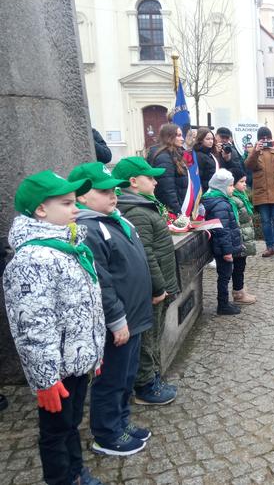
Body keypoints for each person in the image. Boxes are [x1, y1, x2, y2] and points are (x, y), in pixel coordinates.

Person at [4, 170, 105, 485]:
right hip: (56, 370)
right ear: (41, 210)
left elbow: (87, 308)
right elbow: (32, 328)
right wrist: (45, 379)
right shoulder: (32, 258)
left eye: (74, 202)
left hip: (76, 361)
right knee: (55, 430)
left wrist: (93, 352)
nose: (75, 209)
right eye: (66, 203)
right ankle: (60, 478)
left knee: (71, 422)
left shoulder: (68, 248)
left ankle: (76, 470)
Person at [68, 162, 153, 456]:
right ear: (81, 197)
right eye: (103, 191)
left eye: (114, 190)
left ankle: (121, 421)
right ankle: (106, 433)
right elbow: (101, 282)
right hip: (118, 322)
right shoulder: (88, 229)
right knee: (112, 379)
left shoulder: (116, 219)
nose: (112, 196)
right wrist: (116, 319)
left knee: (127, 377)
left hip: (135, 315)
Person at [113, 157, 180, 405]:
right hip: (153, 290)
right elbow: (147, 254)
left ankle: (152, 378)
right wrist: (159, 287)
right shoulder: (137, 211)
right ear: (132, 182)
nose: (155, 182)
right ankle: (145, 386)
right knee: (147, 339)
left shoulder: (143, 205)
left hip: (157, 286)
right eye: (149, 178)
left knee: (154, 335)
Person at [244, 126, 274, 260]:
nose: (265, 140)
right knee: (265, 221)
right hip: (261, 192)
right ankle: (269, 247)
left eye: (267, 138)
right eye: (262, 138)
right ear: (258, 139)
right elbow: (248, 165)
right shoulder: (254, 151)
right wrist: (255, 151)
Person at [202, 169, 244, 315]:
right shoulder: (220, 204)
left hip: (223, 247)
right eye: (231, 185)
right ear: (221, 187)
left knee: (225, 274)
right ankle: (223, 304)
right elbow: (223, 230)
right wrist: (227, 252)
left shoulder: (218, 200)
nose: (233, 188)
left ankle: (224, 302)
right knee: (225, 275)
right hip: (223, 248)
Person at [229, 168, 257, 305]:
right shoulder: (233, 199)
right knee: (238, 266)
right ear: (232, 184)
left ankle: (240, 289)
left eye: (245, 181)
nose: (245, 184)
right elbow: (236, 222)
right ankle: (238, 293)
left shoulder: (241, 196)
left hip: (244, 237)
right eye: (241, 182)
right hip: (239, 239)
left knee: (241, 265)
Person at [147, 123, 188, 215]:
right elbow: (168, 189)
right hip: (173, 211)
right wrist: (178, 212)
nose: (182, 139)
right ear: (169, 137)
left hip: (179, 205)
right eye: (178, 135)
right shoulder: (164, 158)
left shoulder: (174, 154)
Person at [191, 127, 218, 192]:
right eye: (208, 139)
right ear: (200, 140)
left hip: (212, 189)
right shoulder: (199, 155)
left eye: (212, 139)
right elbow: (199, 177)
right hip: (206, 191)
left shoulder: (210, 154)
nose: (211, 141)